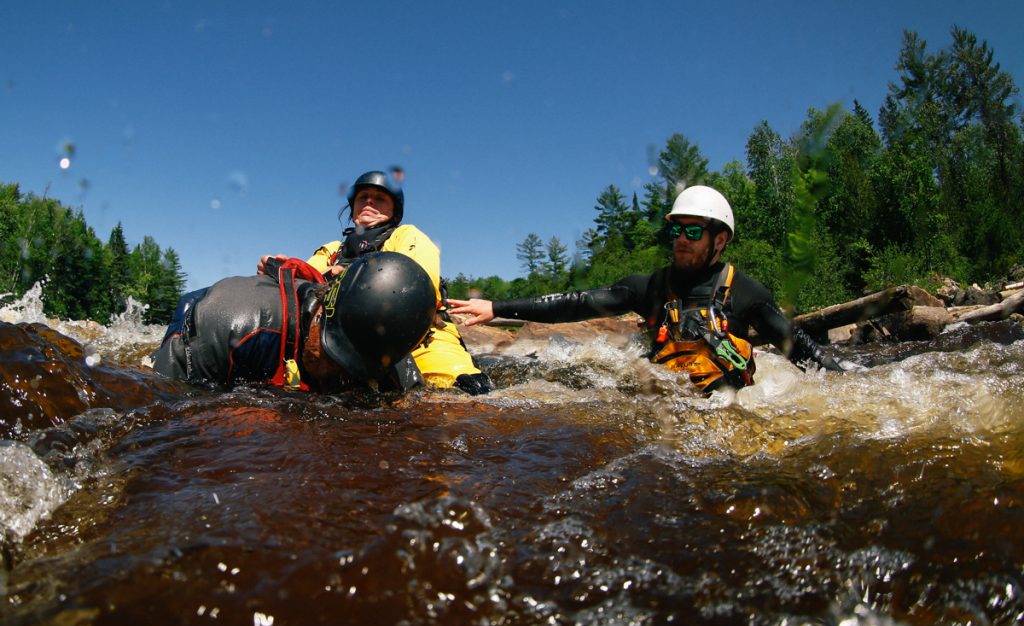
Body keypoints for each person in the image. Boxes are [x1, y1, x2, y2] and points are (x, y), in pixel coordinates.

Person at [448, 185, 844, 394]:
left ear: (720, 241)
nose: (682, 239)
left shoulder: (746, 293)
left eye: (693, 231)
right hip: (663, 407)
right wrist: (497, 306)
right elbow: (577, 303)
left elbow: (800, 349)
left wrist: (844, 381)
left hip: (728, 410)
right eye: (676, 229)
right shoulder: (649, 288)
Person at [257, 170, 491, 395]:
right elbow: (306, 280)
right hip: (339, 336)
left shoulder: (406, 235)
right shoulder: (332, 250)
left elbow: (415, 283)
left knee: (466, 389)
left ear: (394, 210)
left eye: (379, 198)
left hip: (419, 337)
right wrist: (281, 271)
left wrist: (344, 273)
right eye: (363, 198)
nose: (369, 202)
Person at [153, 252, 437, 392]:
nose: (334, 371)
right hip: (204, 318)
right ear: (325, 306)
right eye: (331, 349)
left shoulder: (385, 349)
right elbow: (166, 420)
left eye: (353, 368)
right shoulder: (231, 323)